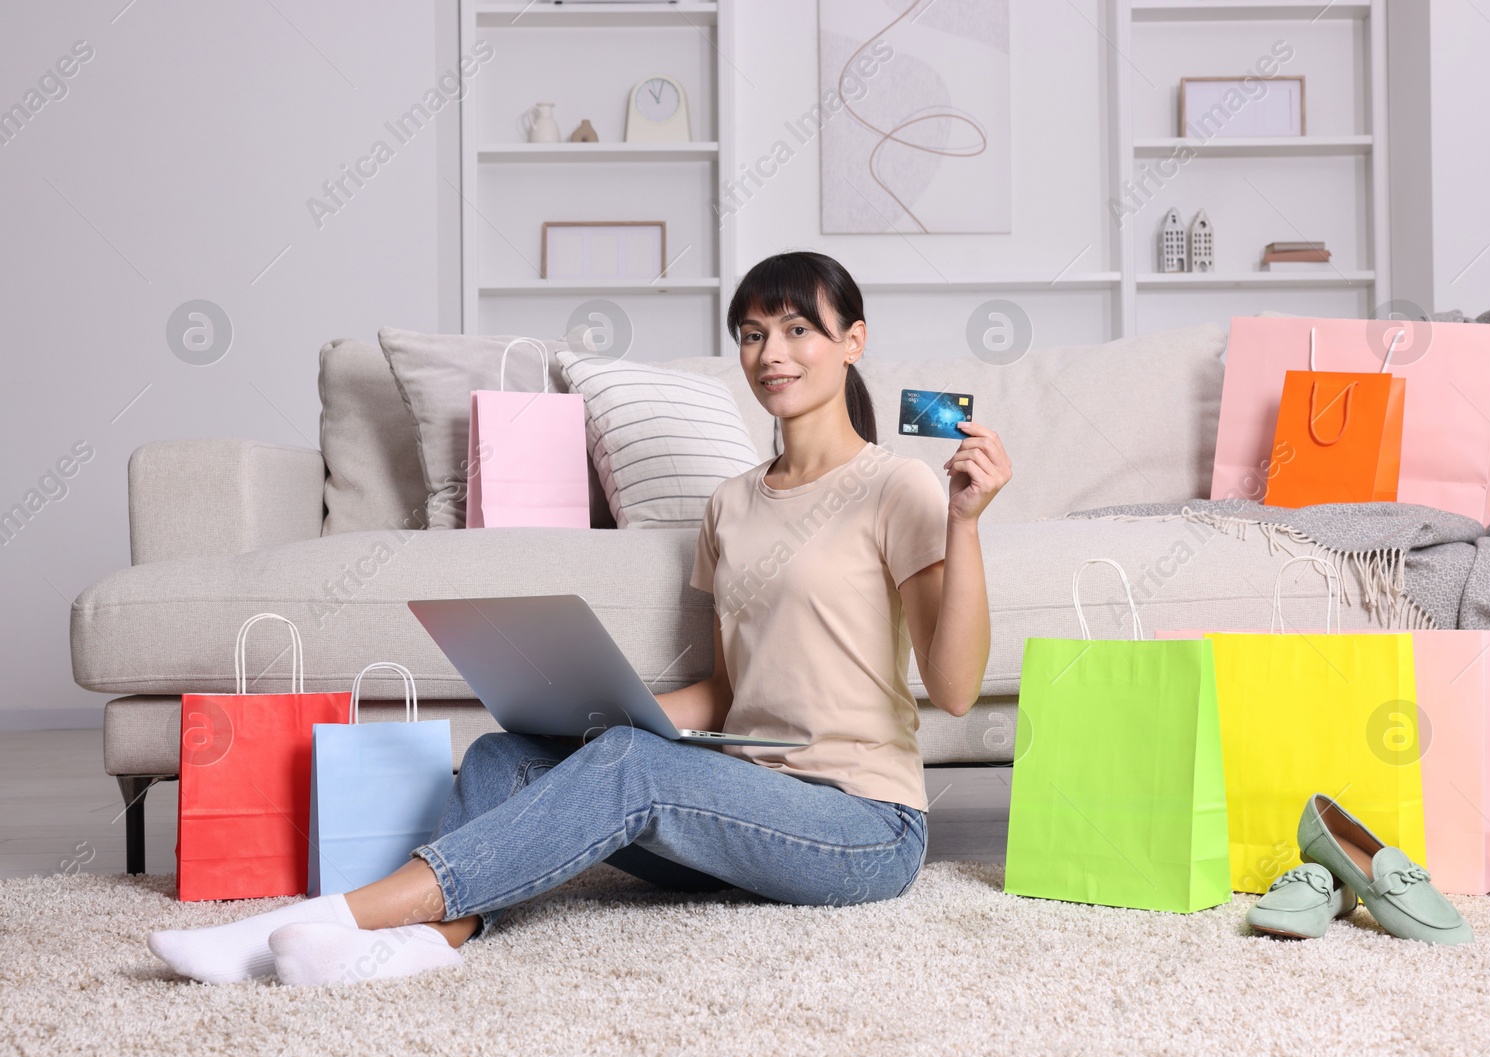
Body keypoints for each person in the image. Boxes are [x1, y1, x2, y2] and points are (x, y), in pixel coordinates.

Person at [147, 250, 1013, 986]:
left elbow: (955, 686)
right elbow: (723, 690)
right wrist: (599, 723)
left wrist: (963, 522)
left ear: (851, 342)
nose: (771, 354)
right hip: (743, 804)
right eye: (752, 334)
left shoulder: (897, 485)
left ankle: (300, 925)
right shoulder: (731, 505)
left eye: (797, 330)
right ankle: (427, 943)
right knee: (504, 754)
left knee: (635, 766)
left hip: (860, 825)